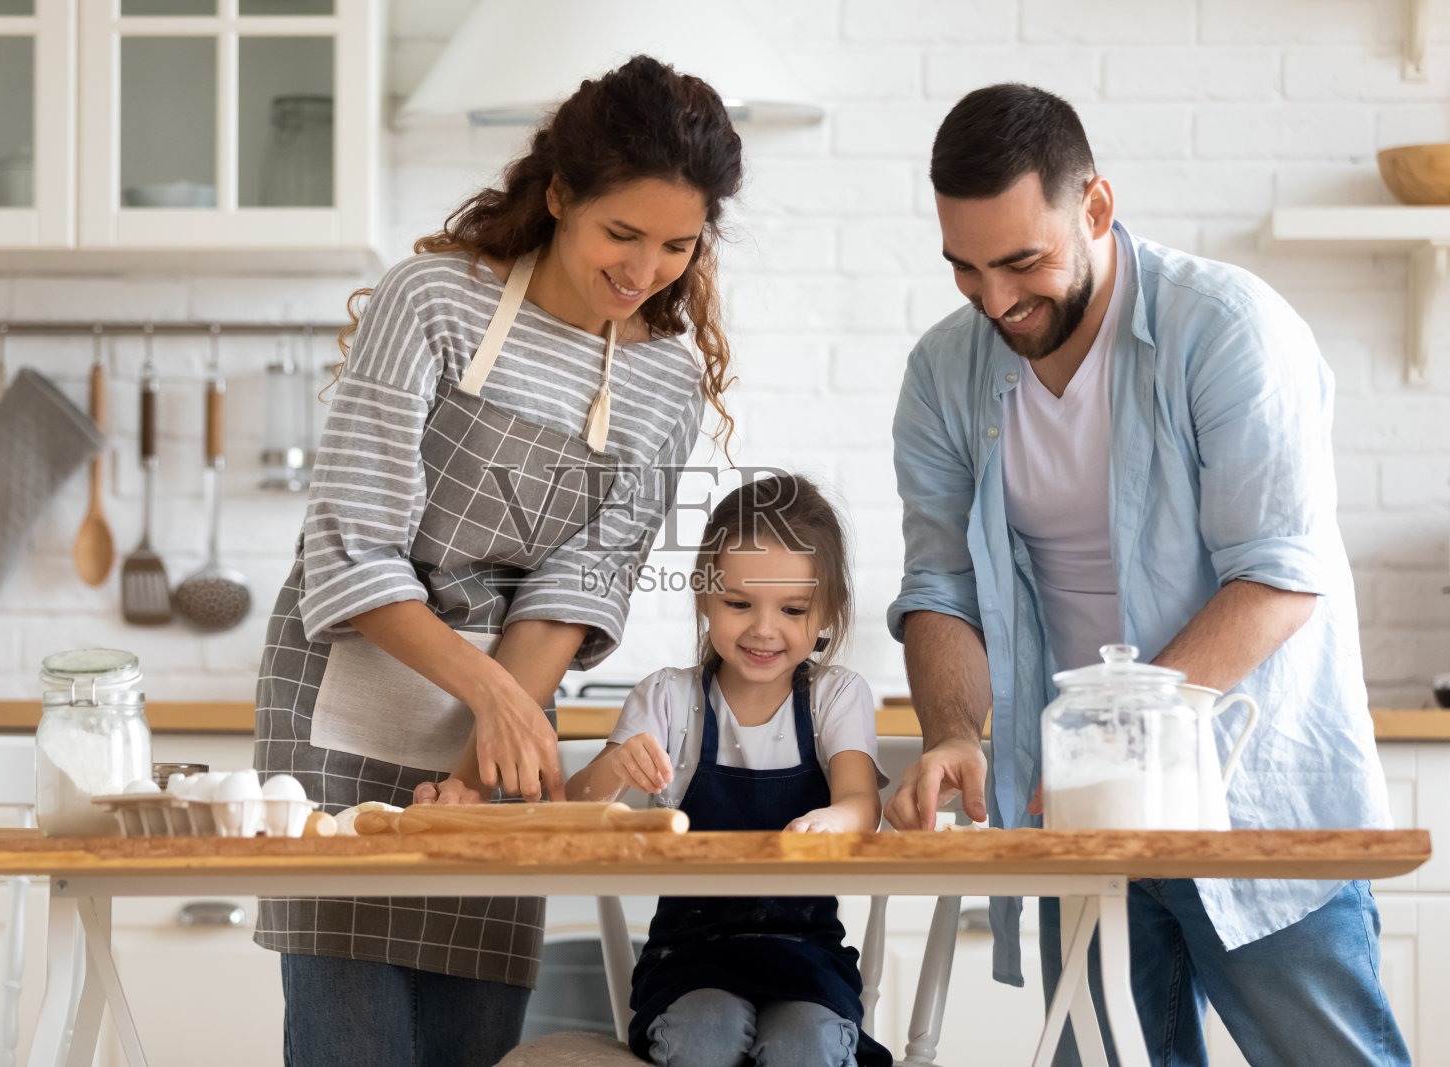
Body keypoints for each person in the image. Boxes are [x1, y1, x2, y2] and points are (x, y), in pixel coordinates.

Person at [884, 83, 1407, 1065]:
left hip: (1253, 800)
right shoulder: (943, 373)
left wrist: (1119, 739)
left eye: (1022, 262)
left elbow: (1277, 577)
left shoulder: (1229, 329)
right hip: (1080, 815)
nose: (995, 301)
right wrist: (952, 731)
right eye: (965, 269)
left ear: (1095, 207)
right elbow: (942, 590)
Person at [252, 55, 744, 1067]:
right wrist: (496, 699)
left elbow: (577, 585)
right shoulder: (432, 301)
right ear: (559, 195)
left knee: (474, 1044)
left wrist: (483, 765)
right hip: (348, 705)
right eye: (621, 233)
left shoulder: (664, 383)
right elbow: (354, 545)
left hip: (500, 729)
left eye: (676, 245)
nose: (643, 270)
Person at [568, 475, 893, 1067]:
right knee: (706, 1037)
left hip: (805, 952)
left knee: (808, 1044)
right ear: (703, 596)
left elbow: (860, 803)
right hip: (689, 956)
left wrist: (834, 819)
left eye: (793, 609)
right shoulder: (668, 698)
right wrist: (616, 765)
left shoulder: (836, 696)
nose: (764, 629)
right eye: (739, 604)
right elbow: (574, 809)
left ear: (828, 610)